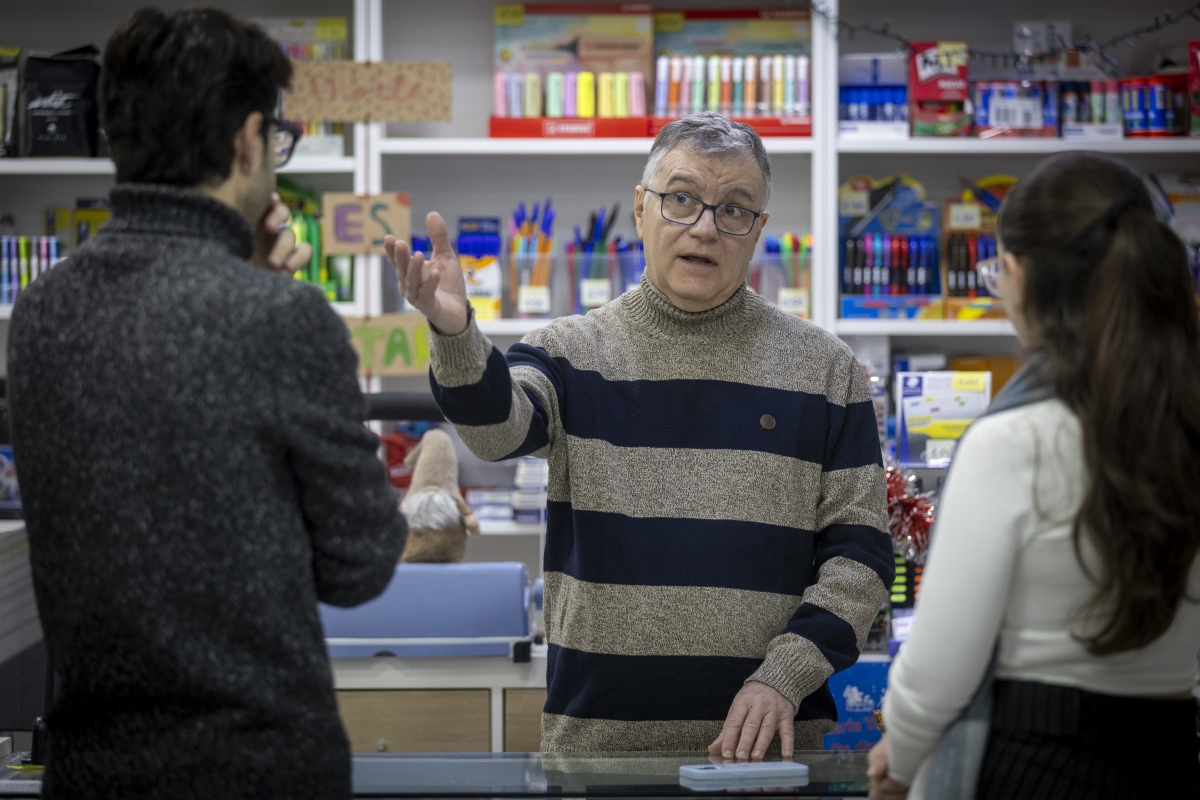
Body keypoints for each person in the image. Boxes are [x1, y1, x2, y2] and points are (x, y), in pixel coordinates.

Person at [386, 112, 894, 757]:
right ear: (640, 209)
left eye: (733, 209)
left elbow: (862, 557)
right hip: (600, 751)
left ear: (759, 229)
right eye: (681, 199)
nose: (705, 227)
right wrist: (457, 337)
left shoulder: (825, 370)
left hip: (768, 755)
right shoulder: (567, 353)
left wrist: (783, 678)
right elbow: (495, 432)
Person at [8, 9, 406, 800]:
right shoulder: (282, 318)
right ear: (250, 139)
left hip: (90, 770)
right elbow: (359, 565)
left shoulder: (41, 311)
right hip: (257, 767)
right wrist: (270, 296)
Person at [867, 152, 1200, 799]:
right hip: (1169, 758)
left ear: (1019, 275)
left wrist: (901, 756)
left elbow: (940, 665)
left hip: (1035, 761)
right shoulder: (1186, 425)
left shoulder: (1014, 440)